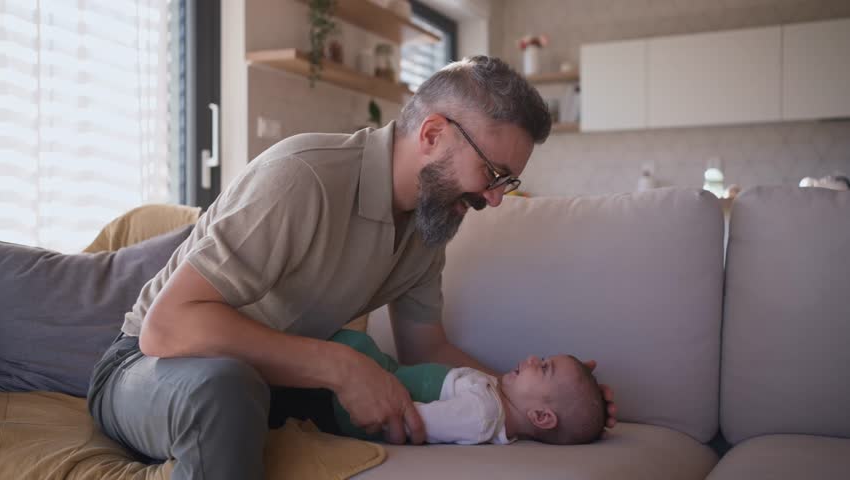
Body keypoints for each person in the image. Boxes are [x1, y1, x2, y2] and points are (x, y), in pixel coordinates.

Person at [87, 55, 618, 480]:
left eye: (507, 183)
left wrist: (542, 406)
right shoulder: (301, 178)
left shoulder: (428, 227)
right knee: (226, 389)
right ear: (432, 134)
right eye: (492, 173)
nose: (495, 199)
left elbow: (427, 352)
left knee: (261, 386)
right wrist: (339, 367)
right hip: (147, 369)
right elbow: (167, 327)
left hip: (267, 383)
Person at [328, 330, 606, 445]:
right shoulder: (493, 400)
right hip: (384, 375)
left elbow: (415, 421)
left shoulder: (482, 414)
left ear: (541, 416)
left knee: (350, 344)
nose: (533, 359)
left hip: (364, 404)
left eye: (544, 367)